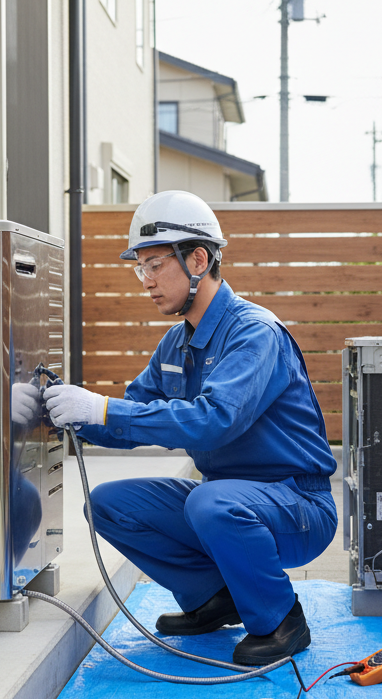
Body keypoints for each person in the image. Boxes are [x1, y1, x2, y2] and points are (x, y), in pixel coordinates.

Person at [43, 191, 337, 664]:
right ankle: (212, 598)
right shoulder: (176, 345)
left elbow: (212, 421)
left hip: (297, 504)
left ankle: (282, 621)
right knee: (109, 505)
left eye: (155, 265)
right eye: (141, 268)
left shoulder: (254, 334)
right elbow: (130, 416)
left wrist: (101, 409)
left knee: (208, 502)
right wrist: (64, 415)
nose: (146, 281)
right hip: (224, 501)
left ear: (198, 259)